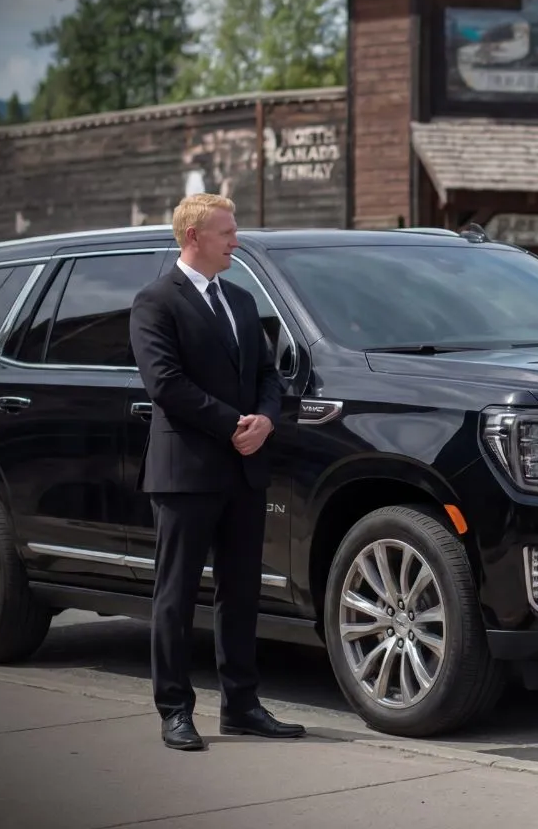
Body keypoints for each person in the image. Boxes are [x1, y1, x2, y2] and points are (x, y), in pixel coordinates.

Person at [129, 193, 305, 751]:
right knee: (175, 595)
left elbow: (268, 374)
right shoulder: (155, 301)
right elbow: (166, 384)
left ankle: (242, 705)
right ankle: (175, 710)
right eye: (227, 232)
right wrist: (234, 423)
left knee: (241, 592)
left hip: (245, 469)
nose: (236, 240)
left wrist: (266, 421)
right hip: (186, 471)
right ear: (193, 238)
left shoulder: (241, 298)